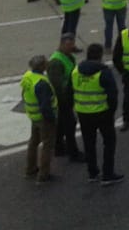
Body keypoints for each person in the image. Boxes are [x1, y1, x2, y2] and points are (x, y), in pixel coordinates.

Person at [72, 42, 122, 185]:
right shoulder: (103, 72)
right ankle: (108, 174)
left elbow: (71, 90)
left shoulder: (76, 71)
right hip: (102, 113)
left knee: (89, 143)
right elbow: (113, 95)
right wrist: (111, 112)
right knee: (109, 143)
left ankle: (92, 172)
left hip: (83, 113)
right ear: (100, 56)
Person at [48, 33, 84, 162]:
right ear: (62, 44)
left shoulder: (67, 57)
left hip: (68, 96)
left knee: (62, 124)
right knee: (70, 124)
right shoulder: (56, 62)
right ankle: (73, 153)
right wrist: (65, 100)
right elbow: (56, 85)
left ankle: (59, 147)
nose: (72, 47)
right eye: (69, 44)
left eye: (73, 44)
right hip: (63, 100)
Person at [22, 53, 58, 183]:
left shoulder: (28, 77)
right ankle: (44, 174)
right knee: (47, 145)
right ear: (42, 66)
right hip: (44, 119)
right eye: (45, 62)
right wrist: (52, 119)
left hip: (33, 115)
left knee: (33, 142)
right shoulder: (42, 83)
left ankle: (30, 168)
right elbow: (45, 106)